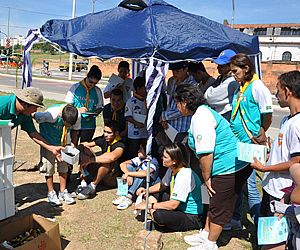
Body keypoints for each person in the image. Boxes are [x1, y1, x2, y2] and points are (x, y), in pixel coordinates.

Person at [173, 84, 251, 250]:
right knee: (215, 201)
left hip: (228, 167)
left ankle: (211, 243)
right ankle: (206, 233)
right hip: (228, 164)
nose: (177, 107)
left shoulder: (201, 117)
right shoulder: (201, 112)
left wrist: (207, 177)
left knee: (219, 204)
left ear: (185, 102)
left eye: (177, 103)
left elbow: (206, 153)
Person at [251, 71, 300, 249]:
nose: (276, 95)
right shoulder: (288, 119)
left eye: (278, 90)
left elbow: (296, 162)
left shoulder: (297, 124)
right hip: (272, 186)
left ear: (288, 91)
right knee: (267, 236)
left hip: (282, 191)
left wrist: (264, 168)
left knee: (275, 240)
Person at [228, 53, 273, 229]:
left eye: (235, 71)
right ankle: (236, 219)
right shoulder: (241, 87)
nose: (233, 74)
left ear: (246, 68)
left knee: (251, 187)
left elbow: (267, 115)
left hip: (250, 144)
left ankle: (260, 228)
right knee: (237, 183)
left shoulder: (257, 87)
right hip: (238, 143)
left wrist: (261, 132)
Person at [135, 143, 203, 232]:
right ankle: (156, 215)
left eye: (165, 157)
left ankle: (157, 219)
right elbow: (162, 185)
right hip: (178, 208)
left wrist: (149, 206)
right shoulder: (172, 169)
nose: (162, 158)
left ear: (174, 160)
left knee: (159, 215)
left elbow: (173, 205)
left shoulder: (184, 175)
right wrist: (146, 190)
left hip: (190, 216)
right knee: (152, 194)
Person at [33, 104, 81, 206]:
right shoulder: (50, 115)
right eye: (66, 124)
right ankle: (51, 192)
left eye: (70, 125)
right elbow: (33, 115)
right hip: (48, 142)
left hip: (63, 142)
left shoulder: (77, 116)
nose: (68, 127)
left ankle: (63, 191)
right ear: (62, 117)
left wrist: (73, 145)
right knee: (48, 167)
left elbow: (76, 131)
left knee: (64, 167)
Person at [0, 87, 63, 158]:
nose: (35, 111)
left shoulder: (25, 113)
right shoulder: (2, 106)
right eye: (35, 107)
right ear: (25, 104)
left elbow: (33, 133)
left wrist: (51, 148)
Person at [76, 120, 126, 200]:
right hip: (101, 173)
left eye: (109, 133)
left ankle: (92, 186)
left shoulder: (120, 145)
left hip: (112, 177)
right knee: (84, 149)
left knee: (106, 161)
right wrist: (79, 149)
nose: (105, 135)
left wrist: (91, 160)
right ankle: (83, 183)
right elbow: (85, 144)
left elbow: (112, 157)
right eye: (104, 131)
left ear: (116, 133)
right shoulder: (104, 139)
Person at [159, 61, 197, 144]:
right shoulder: (172, 81)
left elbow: (186, 109)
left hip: (183, 128)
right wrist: (165, 120)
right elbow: (171, 102)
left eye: (177, 71)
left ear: (185, 69)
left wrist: (165, 116)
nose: (174, 73)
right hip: (171, 128)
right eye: (173, 71)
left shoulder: (192, 85)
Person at [65, 65, 104, 144]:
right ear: (87, 76)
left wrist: (95, 113)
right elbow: (67, 107)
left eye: (95, 83)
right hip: (75, 123)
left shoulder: (97, 91)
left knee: (84, 148)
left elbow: (100, 107)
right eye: (90, 82)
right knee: (72, 147)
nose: (92, 85)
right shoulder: (75, 87)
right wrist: (78, 110)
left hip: (89, 125)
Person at [112, 145, 159, 210]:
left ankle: (129, 197)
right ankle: (124, 193)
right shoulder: (140, 159)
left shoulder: (153, 162)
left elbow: (145, 173)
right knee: (128, 167)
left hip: (148, 184)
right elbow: (122, 164)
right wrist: (128, 174)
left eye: (141, 149)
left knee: (141, 175)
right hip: (138, 182)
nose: (138, 151)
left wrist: (128, 174)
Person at [204, 49, 239, 122]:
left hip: (227, 116)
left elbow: (210, 97)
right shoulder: (221, 78)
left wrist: (210, 88)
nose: (218, 67)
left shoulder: (231, 81)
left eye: (221, 66)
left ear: (230, 66)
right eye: (218, 65)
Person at [125, 76, 148, 159]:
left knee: (144, 154)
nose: (147, 90)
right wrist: (137, 123)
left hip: (145, 133)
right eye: (145, 88)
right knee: (133, 154)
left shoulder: (148, 101)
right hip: (134, 135)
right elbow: (127, 117)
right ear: (138, 88)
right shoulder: (131, 101)